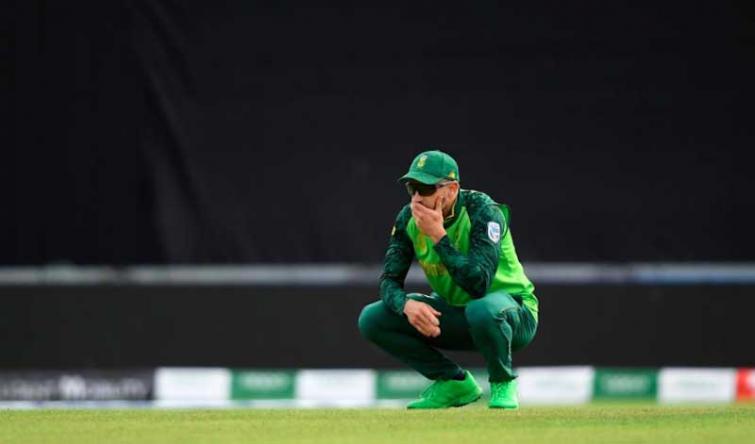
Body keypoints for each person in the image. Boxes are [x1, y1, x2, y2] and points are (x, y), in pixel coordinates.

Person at [358, 149, 539, 409]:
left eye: (426, 189)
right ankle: (453, 381)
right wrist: (405, 305)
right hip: (459, 314)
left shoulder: (483, 211)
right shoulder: (408, 218)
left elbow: (478, 285)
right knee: (373, 318)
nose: (417, 198)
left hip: (513, 315)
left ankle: (502, 381)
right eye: (412, 189)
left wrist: (438, 237)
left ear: (452, 189)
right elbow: (389, 280)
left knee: (482, 309)